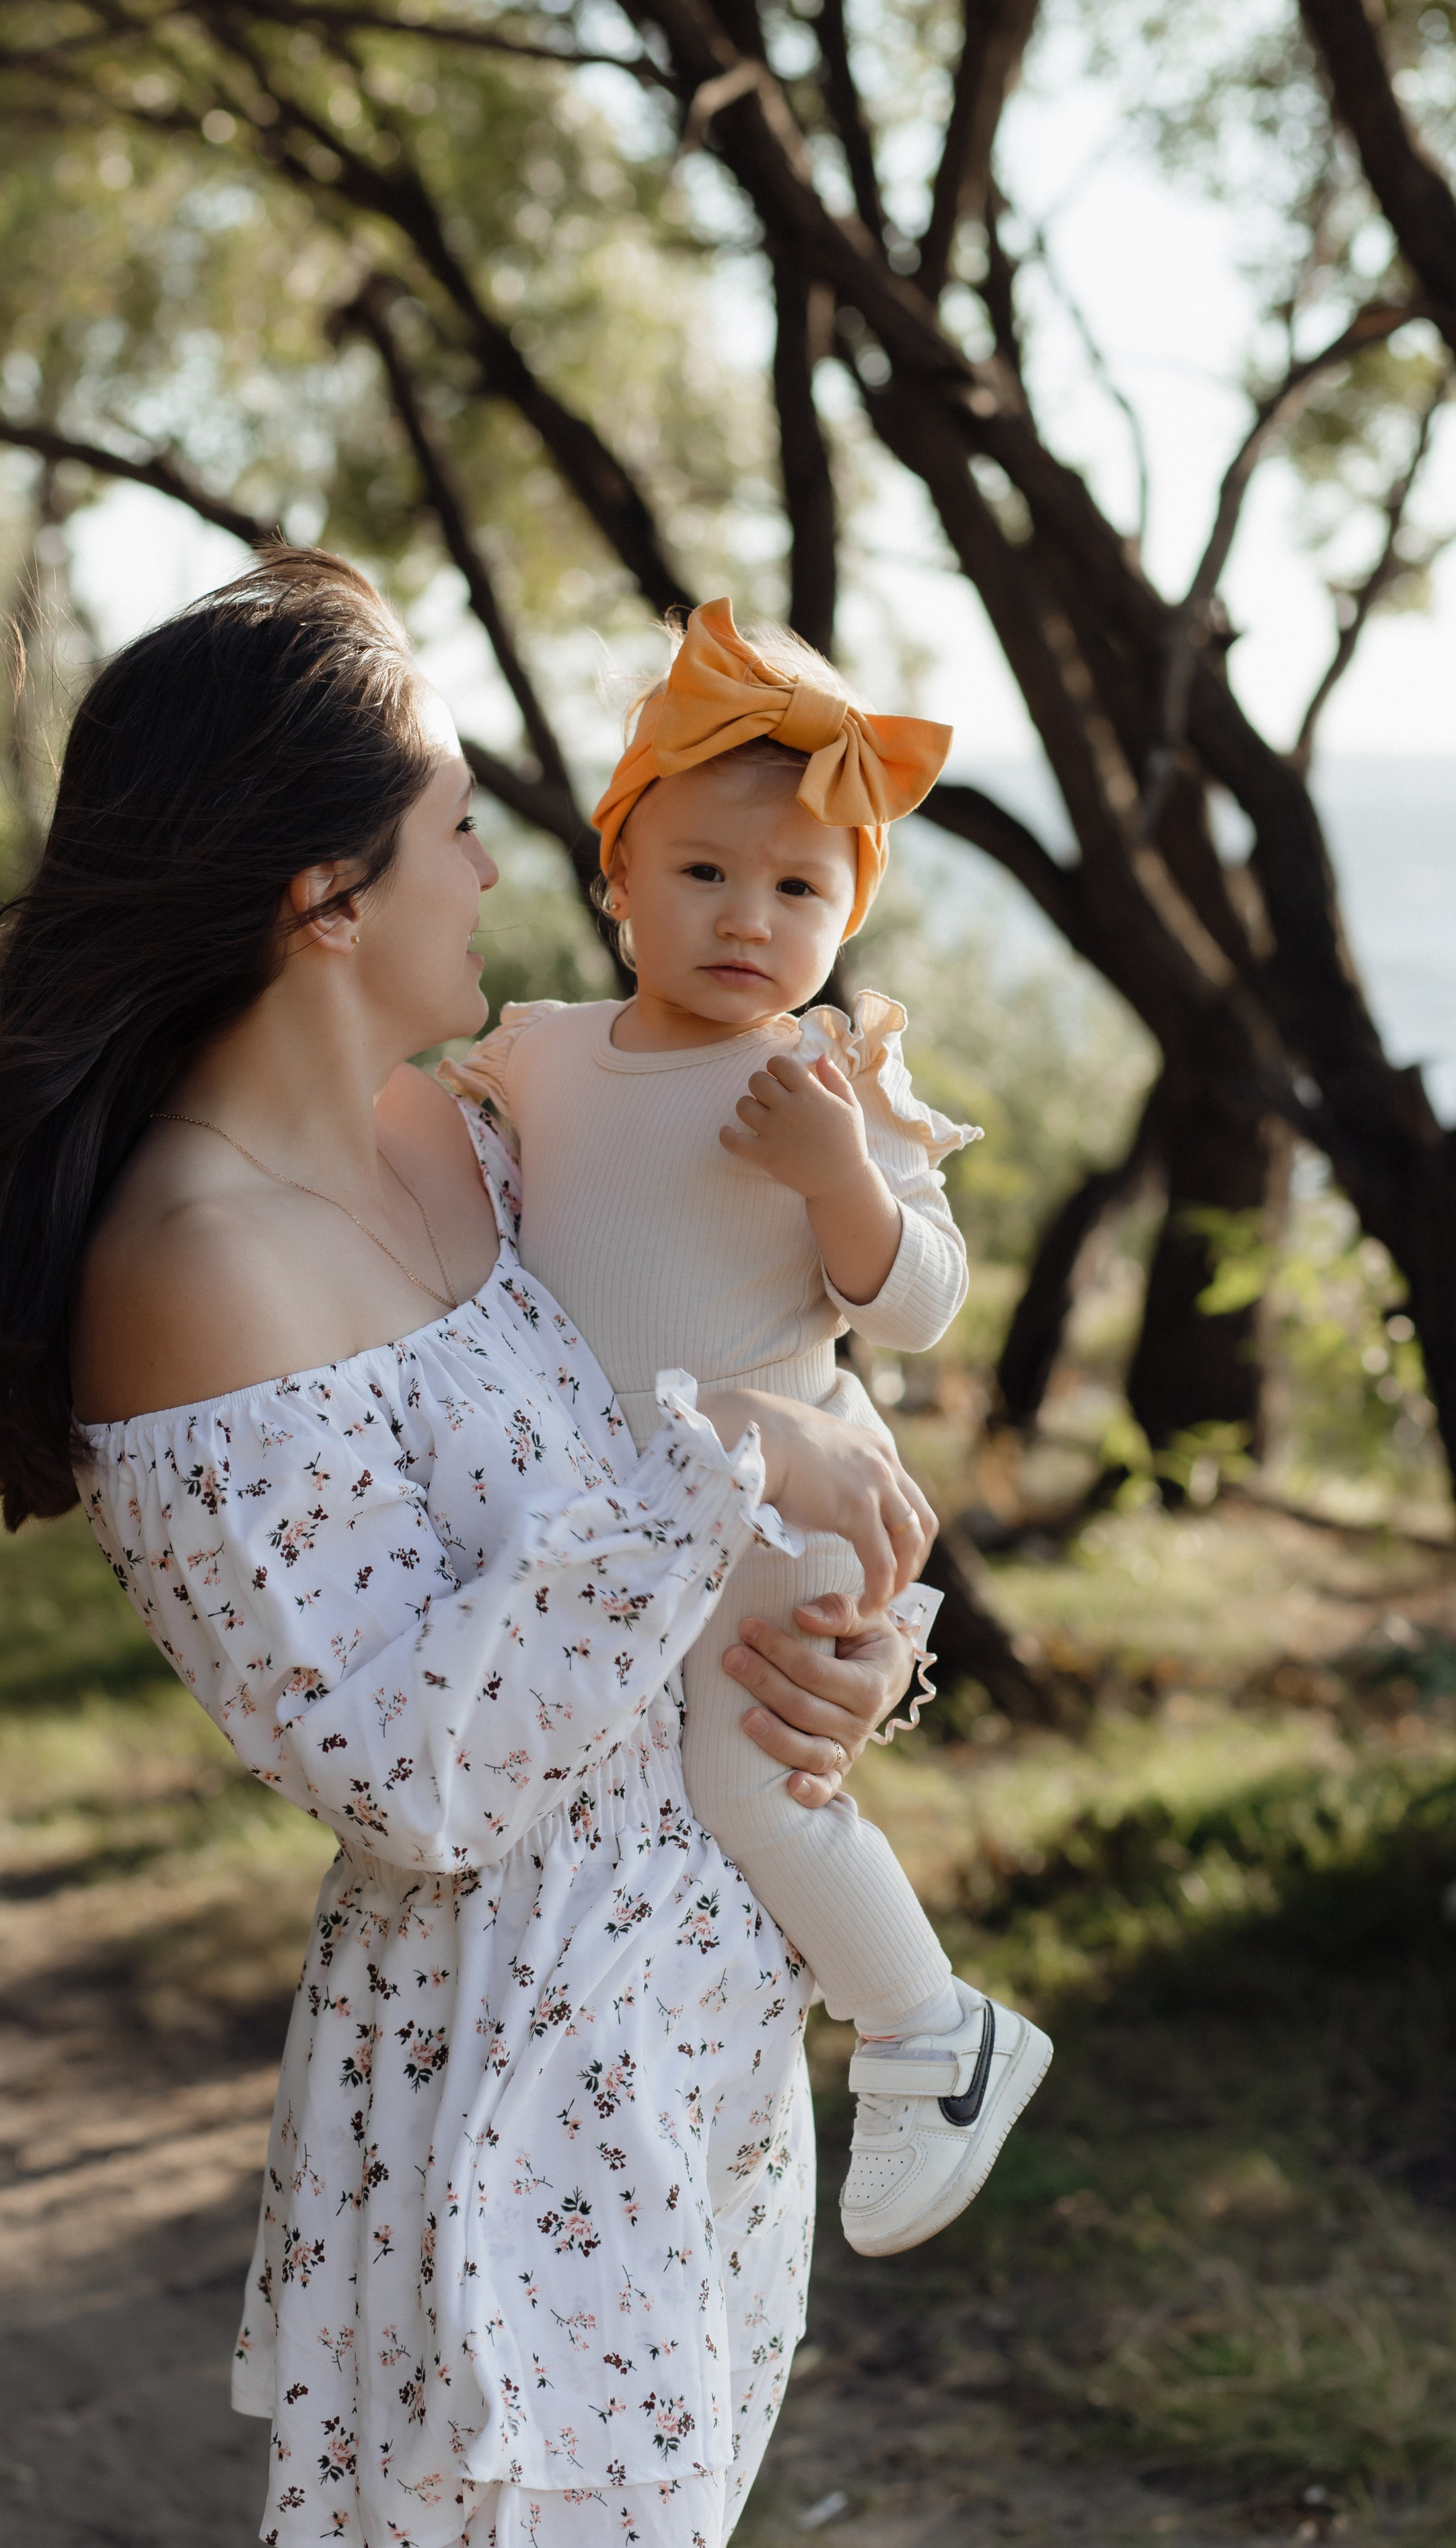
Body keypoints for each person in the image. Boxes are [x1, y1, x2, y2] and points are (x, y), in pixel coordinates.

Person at [0, 548, 933, 2548]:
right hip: (510, 2111)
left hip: (697, 2042)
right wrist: (734, 1467)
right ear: (324, 901)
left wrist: (843, 1656)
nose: (497, 875)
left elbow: (659, 1443)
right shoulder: (191, 1274)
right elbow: (416, 1772)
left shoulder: (464, 1132)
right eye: (453, 826)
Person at [445, 600, 1051, 2260]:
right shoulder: (545, 1058)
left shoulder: (831, 1086)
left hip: (783, 1496)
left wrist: (840, 1175)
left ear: (848, 912)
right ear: (614, 876)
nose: (748, 919)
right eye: (704, 872)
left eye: (799, 889)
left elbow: (918, 1301)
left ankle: (930, 2029)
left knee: (753, 1770)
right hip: (623, 1507)